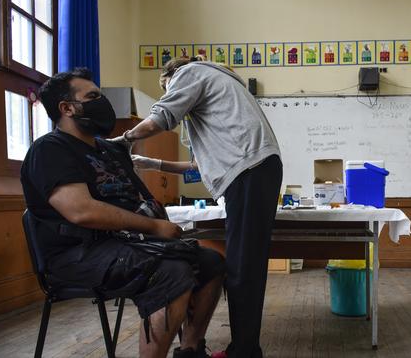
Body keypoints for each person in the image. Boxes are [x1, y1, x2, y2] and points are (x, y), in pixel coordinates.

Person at [21, 68, 226, 358]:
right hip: (78, 253)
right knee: (171, 272)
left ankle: (190, 351)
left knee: (211, 262)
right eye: (92, 96)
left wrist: (163, 226)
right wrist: (154, 228)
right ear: (66, 108)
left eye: (100, 95)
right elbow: (81, 211)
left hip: (127, 243)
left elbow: (142, 197)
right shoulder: (50, 150)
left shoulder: (110, 151)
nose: (101, 102)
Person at [111, 57, 283, 358]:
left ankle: (244, 352)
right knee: (244, 266)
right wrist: (153, 163)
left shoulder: (190, 73)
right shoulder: (220, 89)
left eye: (169, 88)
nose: (172, 93)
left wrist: (123, 140)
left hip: (249, 171)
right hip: (257, 169)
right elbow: (198, 166)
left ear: (171, 76)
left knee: (243, 268)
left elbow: (161, 117)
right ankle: (243, 349)